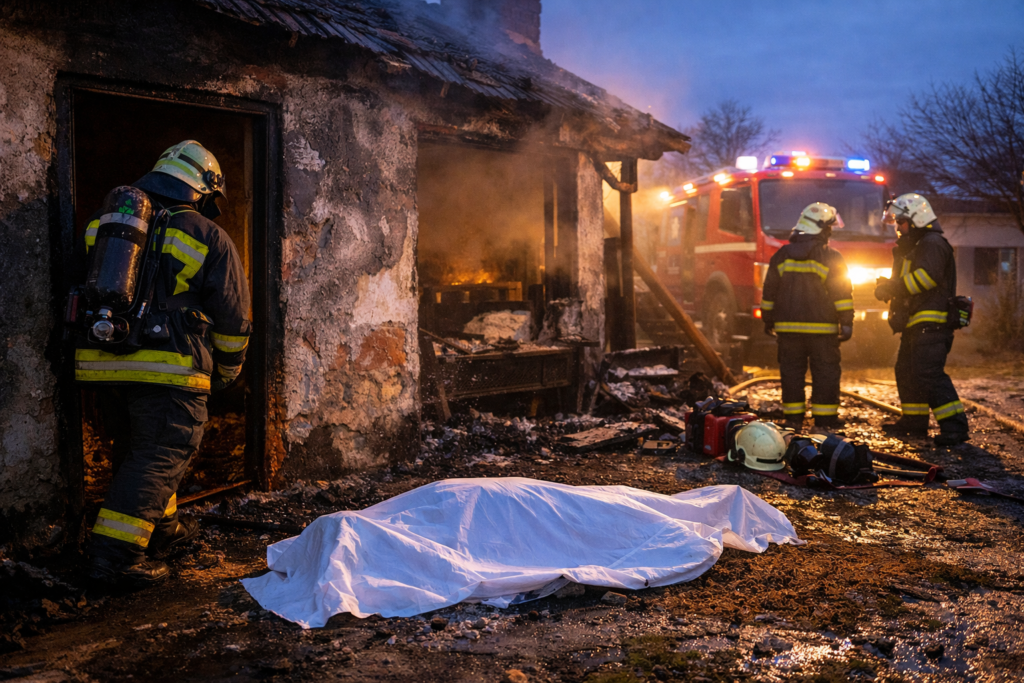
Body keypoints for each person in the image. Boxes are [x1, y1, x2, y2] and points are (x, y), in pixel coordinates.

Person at [75, 140, 251, 585]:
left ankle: (163, 530)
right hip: (169, 368)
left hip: (103, 364)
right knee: (160, 454)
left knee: (139, 451)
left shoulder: (106, 226)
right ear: (202, 188)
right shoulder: (207, 235)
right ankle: (113, 558)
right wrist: (228, 372)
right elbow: (233, 318)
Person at [874, 193, 968, 446]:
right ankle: (914, 423)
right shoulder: (918, 246)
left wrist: (893, 288)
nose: (898, 227)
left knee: (928, 373)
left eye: (901, 222)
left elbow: (926, 278)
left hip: (932, 321)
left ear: (917, 220)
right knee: (906, 371)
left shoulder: (932, 243)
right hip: (917, 323)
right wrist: (892, 287)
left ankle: (955, 427)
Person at [761, 202, 853, 429]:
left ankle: (793, 418)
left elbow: (769, 291)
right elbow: (841, 294)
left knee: (791, 373)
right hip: (822, 331)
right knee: (826, 373)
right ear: (821, 229)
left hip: (788, 330)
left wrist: (768, 318)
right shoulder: (832, 257)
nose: (830, 232)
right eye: (829, 228)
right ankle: (825, 419)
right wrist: (847, 322)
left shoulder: (781, 255)